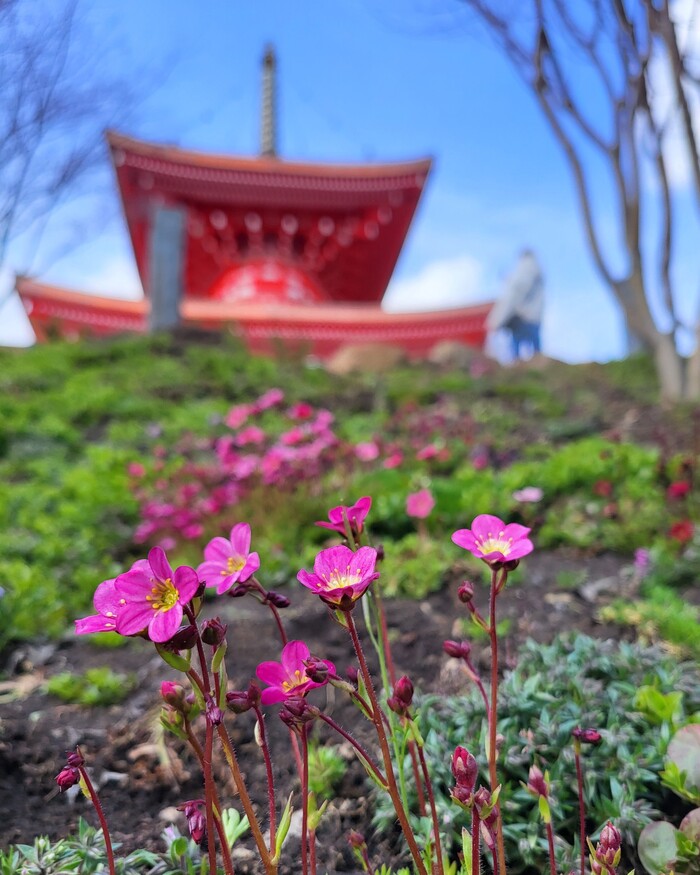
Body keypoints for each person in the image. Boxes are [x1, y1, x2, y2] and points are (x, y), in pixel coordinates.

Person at [487, 250, 544, 361]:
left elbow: (515, 293)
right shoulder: (536, 270)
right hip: (534, 317)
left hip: (523, 317)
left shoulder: (526, 268)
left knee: (516, 350)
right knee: (536, 351)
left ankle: (519, 367)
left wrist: (497, 320)